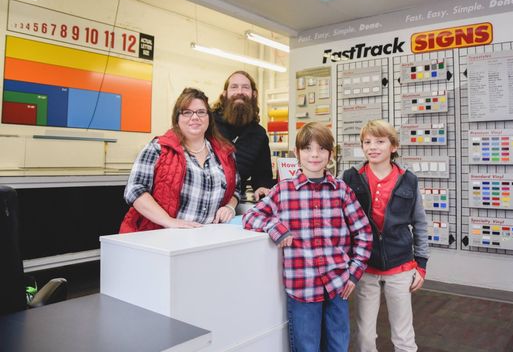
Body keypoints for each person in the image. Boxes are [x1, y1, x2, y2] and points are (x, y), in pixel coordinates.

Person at [242, 122, 373, 352]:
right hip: (302, 286)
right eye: (307, 149)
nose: (314, 155)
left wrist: (354, 273)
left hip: (338, 284)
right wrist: (276, 227)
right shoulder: (283, 190)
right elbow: (251, 216)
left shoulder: (341, 190)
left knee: (338, 345)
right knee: (307, 346)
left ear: (330, 154)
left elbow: (363, 232)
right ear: (296, 153)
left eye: (321, 149)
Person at [342, 120, 429, 352]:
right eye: (367, 142)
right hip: (365, 266)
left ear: (393, 146)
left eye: (380, 141)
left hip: (400, 266)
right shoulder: (351, 178)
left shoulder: (408, 179)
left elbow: (419, 223)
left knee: (403, 334)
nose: (373, 147)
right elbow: (342, 222)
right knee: (365, 335)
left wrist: (421, 264)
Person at [119, 87, 240, 233]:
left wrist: (229, 207)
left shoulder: (225, 153)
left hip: (207, 237)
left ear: (209, 117)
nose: (195, 117)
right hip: (159, 236)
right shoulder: (158, 148)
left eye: (201, 112)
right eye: (187, 112)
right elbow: (134, 190)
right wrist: (169, 221)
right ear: (177, 118)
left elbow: (236, 190)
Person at [212, 70, 274, 200]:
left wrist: (262, 186)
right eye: (234, 87)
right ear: (224, 94)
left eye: (245, 87)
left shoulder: (259, 135)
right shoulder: (208, 124)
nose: (239, 91)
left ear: (254, 94)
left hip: (233, 204)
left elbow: (262, 175)